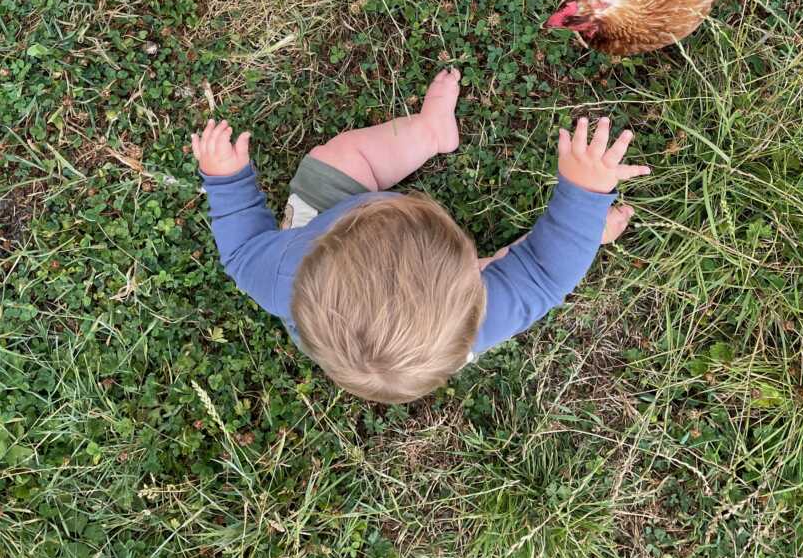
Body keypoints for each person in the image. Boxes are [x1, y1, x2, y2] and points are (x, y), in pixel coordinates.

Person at [192, 69, 649, 403]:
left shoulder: (283, 273)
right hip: (440, 316)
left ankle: (430, 132)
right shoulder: (469, 322)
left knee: (339, 157)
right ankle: (591, 236)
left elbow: (242, 248)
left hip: (329, 242)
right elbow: (546, 273)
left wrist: (227, 179)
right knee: (520, 267)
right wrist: (583, 201)